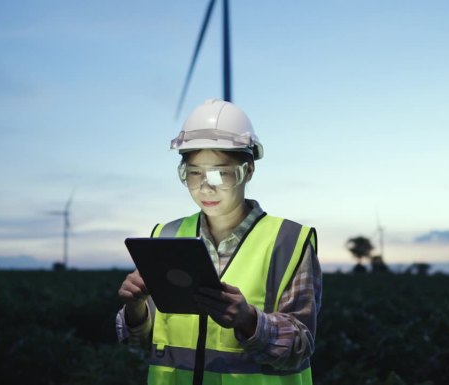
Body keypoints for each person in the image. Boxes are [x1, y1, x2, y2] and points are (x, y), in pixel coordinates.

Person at [116, 98, 322, 385]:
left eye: (221, 173)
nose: (205, 187)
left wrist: (249, 320)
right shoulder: (166, 235)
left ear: (248, 171)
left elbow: (300, 346)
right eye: (194, 173)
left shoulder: (287, 242)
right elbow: (138, 341)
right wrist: (135, 308)